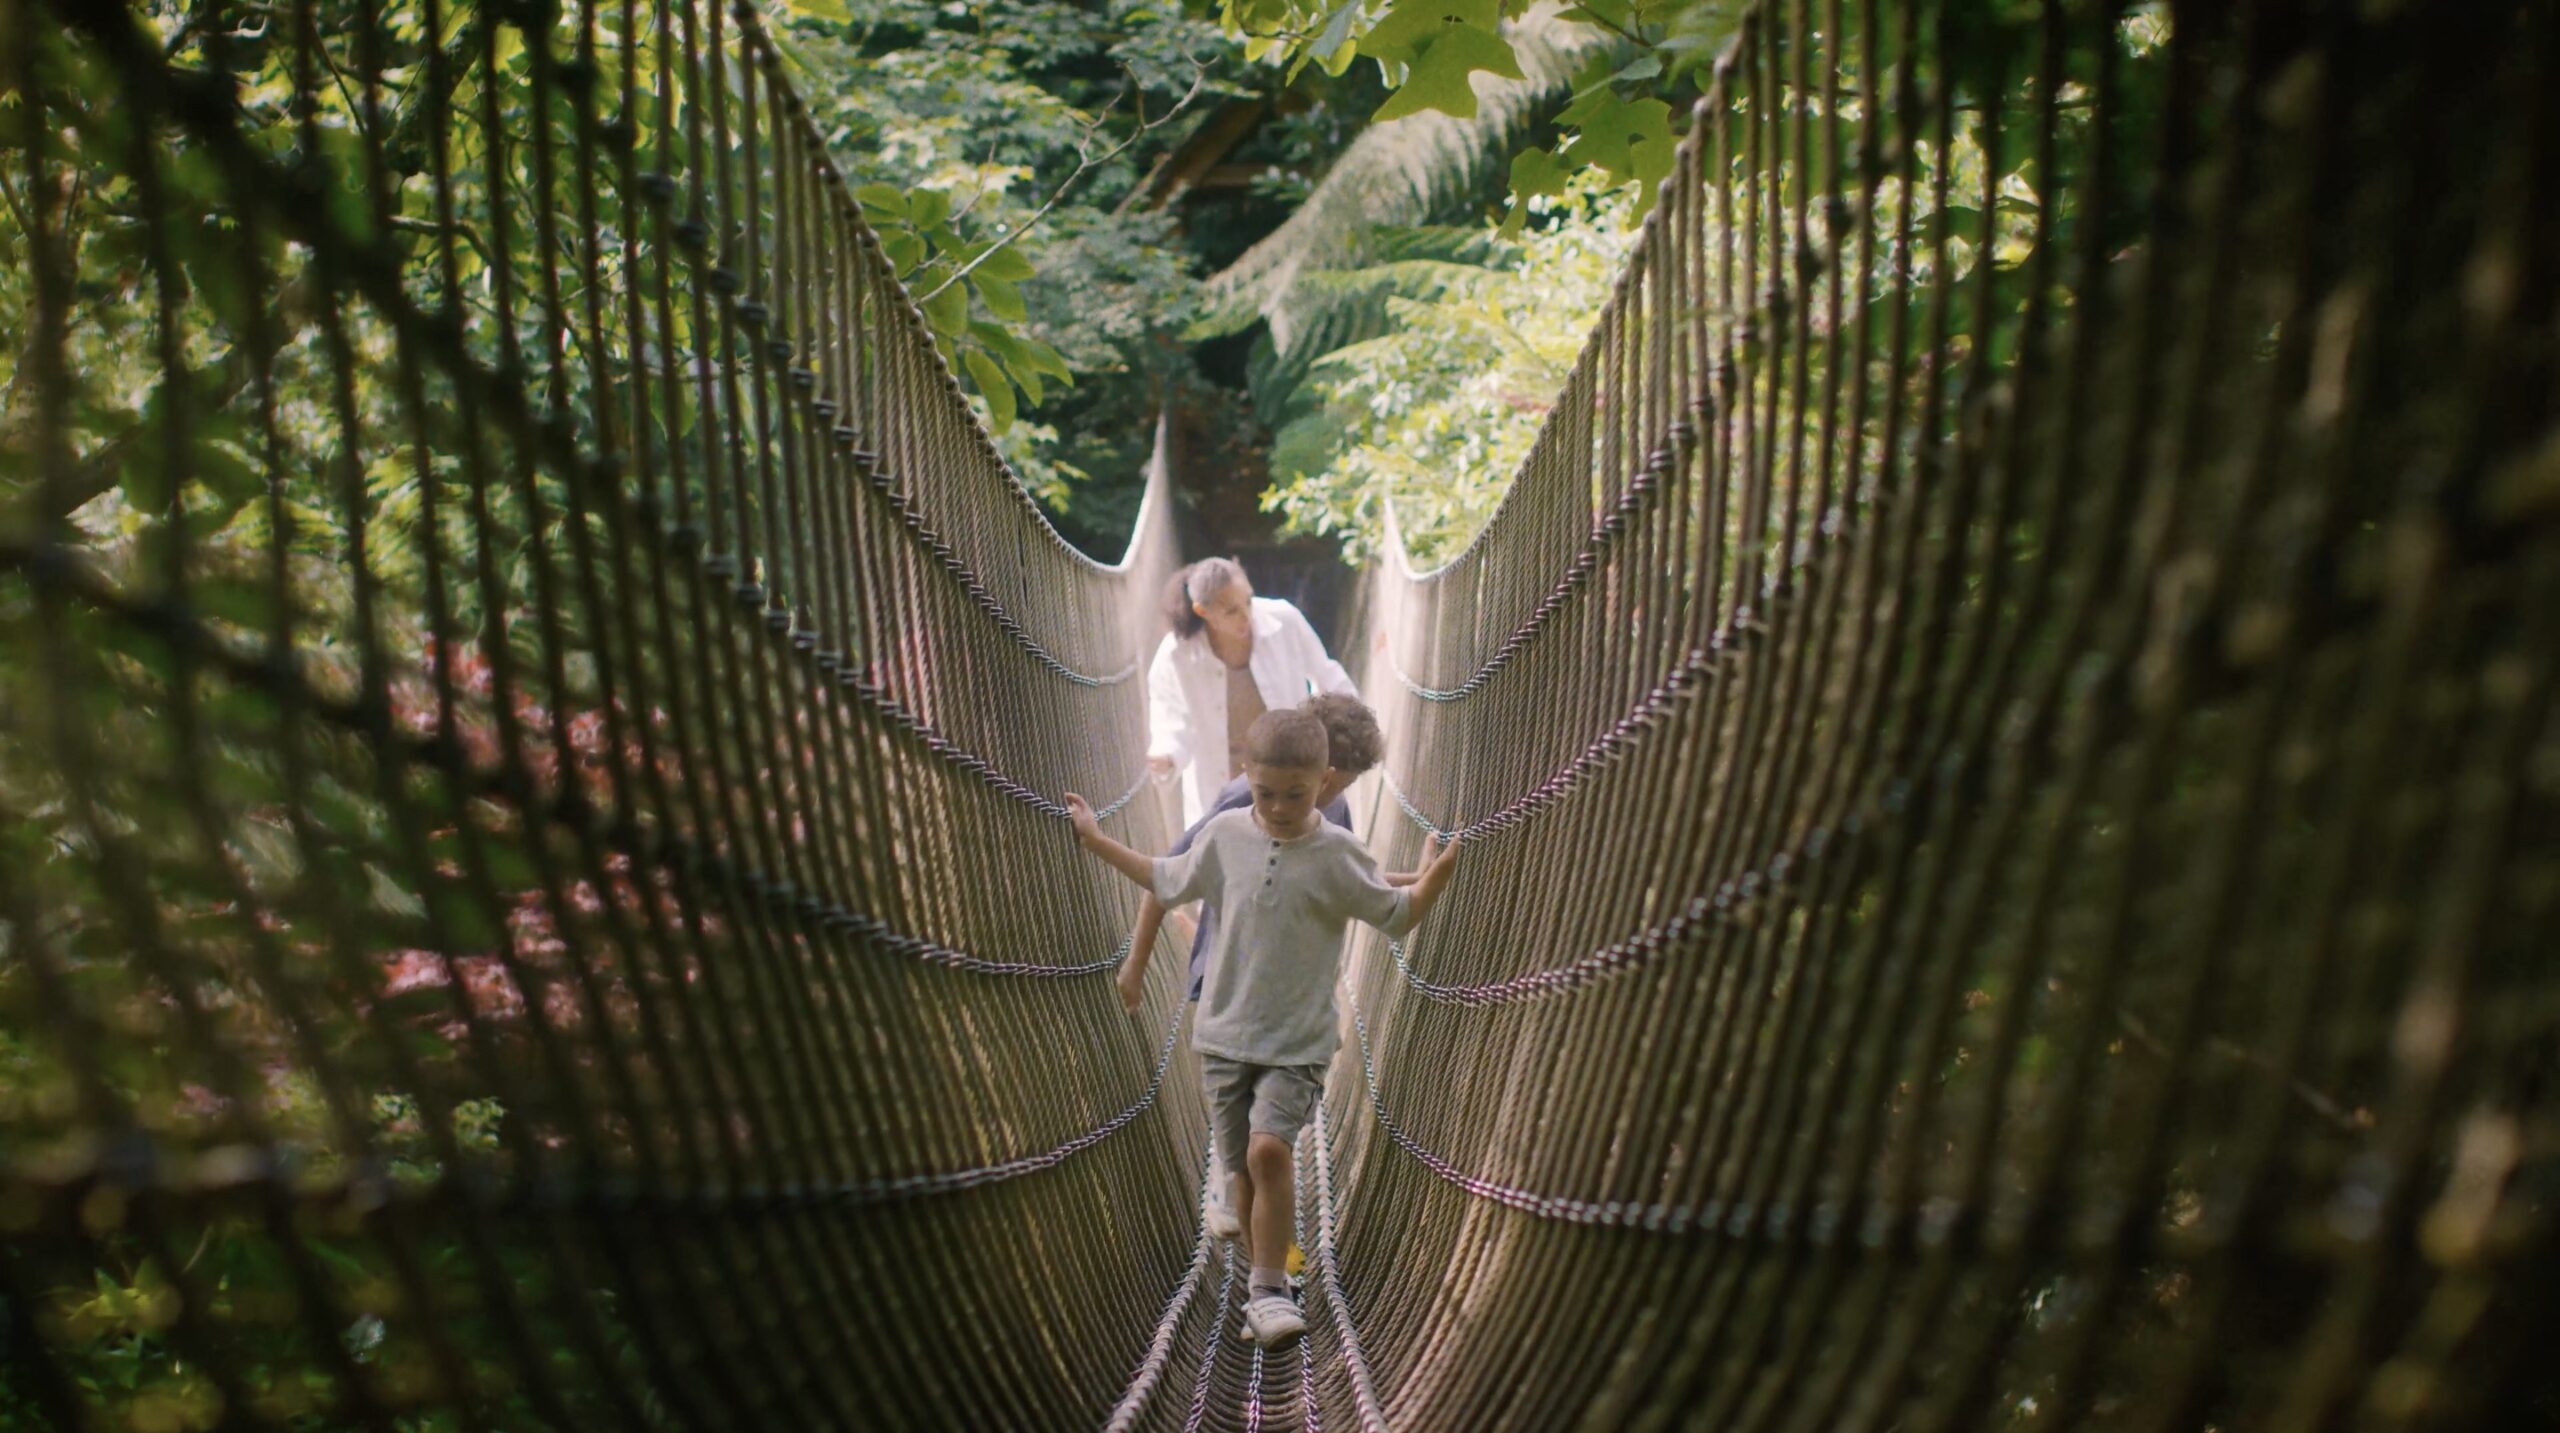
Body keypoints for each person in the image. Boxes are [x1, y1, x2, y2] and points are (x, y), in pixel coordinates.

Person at [1066, 709, 1460, 1347]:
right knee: (1241, 1174)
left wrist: (1435, 877)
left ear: (1324, 782)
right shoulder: (1225, 833)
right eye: (1265, 792)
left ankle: (1270, 1289)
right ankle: (1270, 1280)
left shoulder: (1338, 849)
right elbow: (1164, 878)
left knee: (1268, 1150)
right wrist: (1094, 839)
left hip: (1296, 1041)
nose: (1278, 807)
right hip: (1223, 1035)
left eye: (1297, 794)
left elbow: (1394, 914)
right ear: (1246, 775)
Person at [1116, 693, 1429, 1241]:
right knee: (1233, 1104)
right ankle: (1227, 1184)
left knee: (1267, 1131)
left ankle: (1265, 1248)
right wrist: (1136, 964)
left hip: (1286, 991)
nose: (1331, 793)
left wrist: (1423, 880)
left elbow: (1352, 880)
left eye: (1341, 784)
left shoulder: (1329, 808)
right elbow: (1165, 877)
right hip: (1226, 971)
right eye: (1335, 781)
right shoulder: (1245, 801)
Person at [1147, 557, 1356, 829]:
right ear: (1203, 611)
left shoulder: (1284, 620)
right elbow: (1171, 717)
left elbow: (1326, 675)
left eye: (1248, 600)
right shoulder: (1177, 654)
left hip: (1291, 782)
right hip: (1225, 793)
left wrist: (1352, 727)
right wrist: (1166, 754)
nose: (1246, 615)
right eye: (1231, 611)